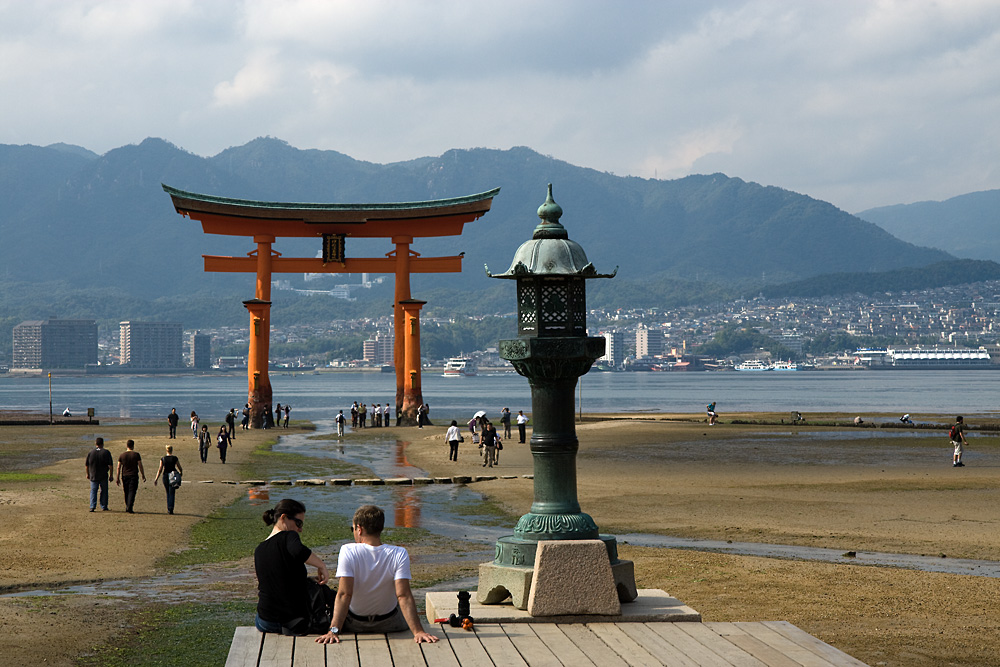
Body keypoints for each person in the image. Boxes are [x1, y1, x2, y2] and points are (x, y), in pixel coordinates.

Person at [315, 505, 437, 645]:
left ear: (359, 529)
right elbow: (403, 595)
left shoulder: (348, 550)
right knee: (398, 601)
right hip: (391, 624)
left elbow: (344, 594)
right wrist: (418, 632)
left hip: (355, 623)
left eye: (353, 529)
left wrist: (333, 631)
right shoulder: (399, 553)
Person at [254, 499, 331, 635]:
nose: (300, 529)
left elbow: (277, 581)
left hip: (265, 621)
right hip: (291, 621)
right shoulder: (288, 535)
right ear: (283, 518)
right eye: (298, 523)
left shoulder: (259, 549)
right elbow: (298, 551)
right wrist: (322, 565)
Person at [115, 439, 145, 513]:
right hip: (133, 475)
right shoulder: (136, 455)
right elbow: (140, 465)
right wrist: (143, 475)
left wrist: (117, 477)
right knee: (132, 491)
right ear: (133, 446)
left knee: (126, 491)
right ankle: (129, 506)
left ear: (127, 446)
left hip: (125, 475)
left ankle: (128, 506)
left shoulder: (122, 455)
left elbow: (118, 467)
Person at [85, 437, 114, 512]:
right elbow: (110, 465)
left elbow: (87, 465)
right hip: (103, 475)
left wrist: (87, 474)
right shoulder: (106, 452)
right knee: (104, 491)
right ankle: (104, 506)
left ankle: (92, 506)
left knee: (93, 491)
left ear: (96, 444)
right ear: (103, 444)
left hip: (93, 475)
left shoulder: (91, 453)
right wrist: (111, 475)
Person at [153, 444, 182, 515]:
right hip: (173, 475)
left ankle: (169, 508)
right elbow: (179, 467)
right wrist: (180, 473)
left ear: (166, 450)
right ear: (172, 450)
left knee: (167, 492)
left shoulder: (163, 459)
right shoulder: (175, 458)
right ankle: (171, 508)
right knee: (172, 493)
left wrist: (156, 478)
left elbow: (160, 469)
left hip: (165, 476)